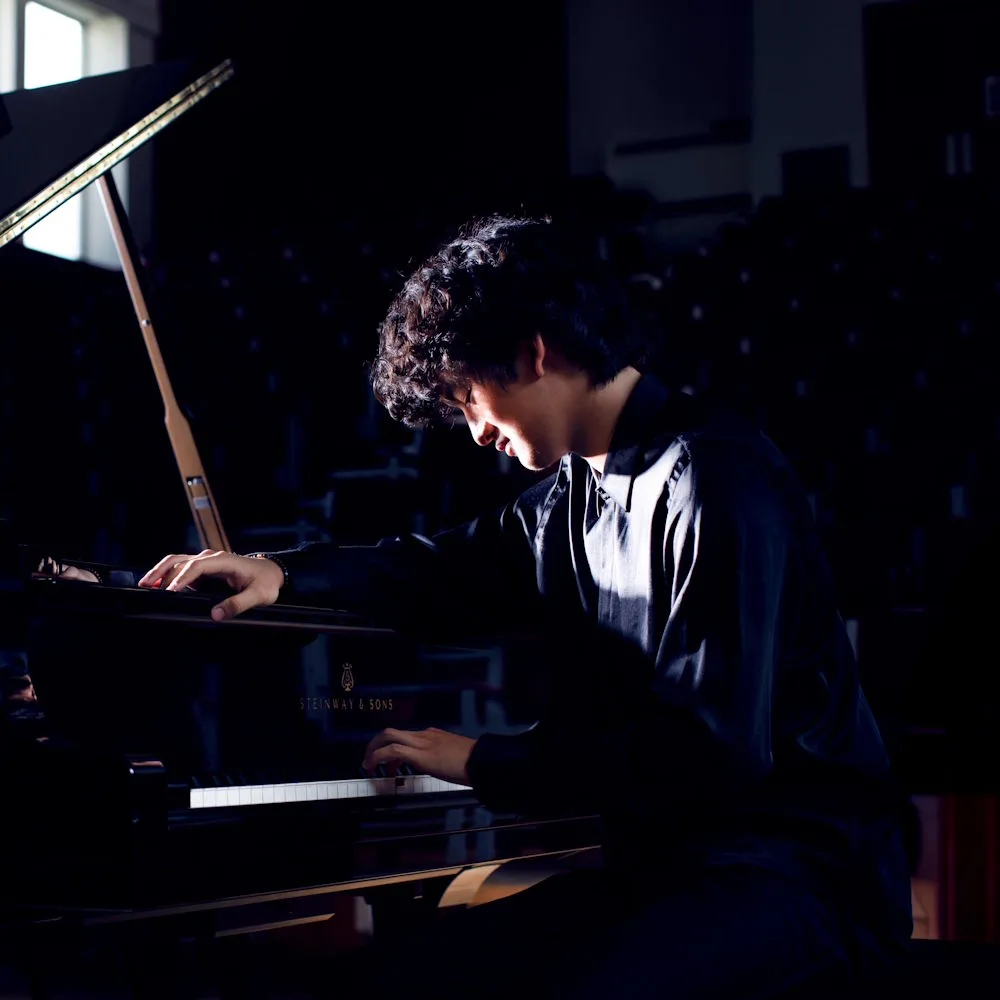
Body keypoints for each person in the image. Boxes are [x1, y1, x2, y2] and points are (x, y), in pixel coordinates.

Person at [139, 215, 914, 998]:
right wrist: (282, 573)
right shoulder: (569, 499)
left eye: (470, 398)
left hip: (799, 874)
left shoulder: (716, 480)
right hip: (669, 873)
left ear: (532, 354)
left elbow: (709, 755)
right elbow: (438, 571)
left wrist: (480, 760)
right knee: (404, 979)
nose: (476, 433)